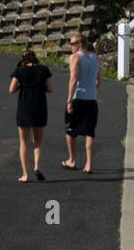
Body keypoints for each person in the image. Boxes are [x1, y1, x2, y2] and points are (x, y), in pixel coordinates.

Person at [8, 49, 53, 182]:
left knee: (24, 142)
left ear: (23, 59)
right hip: (40, 107)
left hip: (24, 107)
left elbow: (11, 89)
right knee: (38, 141)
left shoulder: (19, 70)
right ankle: (37, 166)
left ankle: (25, 174)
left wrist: (22, 86)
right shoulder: (44, 70)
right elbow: (50, 88)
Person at [61, 33, 100, 174]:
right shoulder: (95, 57)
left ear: (80, 44)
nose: (70, 46)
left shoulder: (75, 57)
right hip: (92, 99)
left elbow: (73, 79)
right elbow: (98, 80)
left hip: (78, 98)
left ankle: (72, 159)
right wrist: (92, 91)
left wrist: (69, 100)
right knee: (90, 132)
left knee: (71, 130)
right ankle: (88, 164)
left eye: (72, 44)